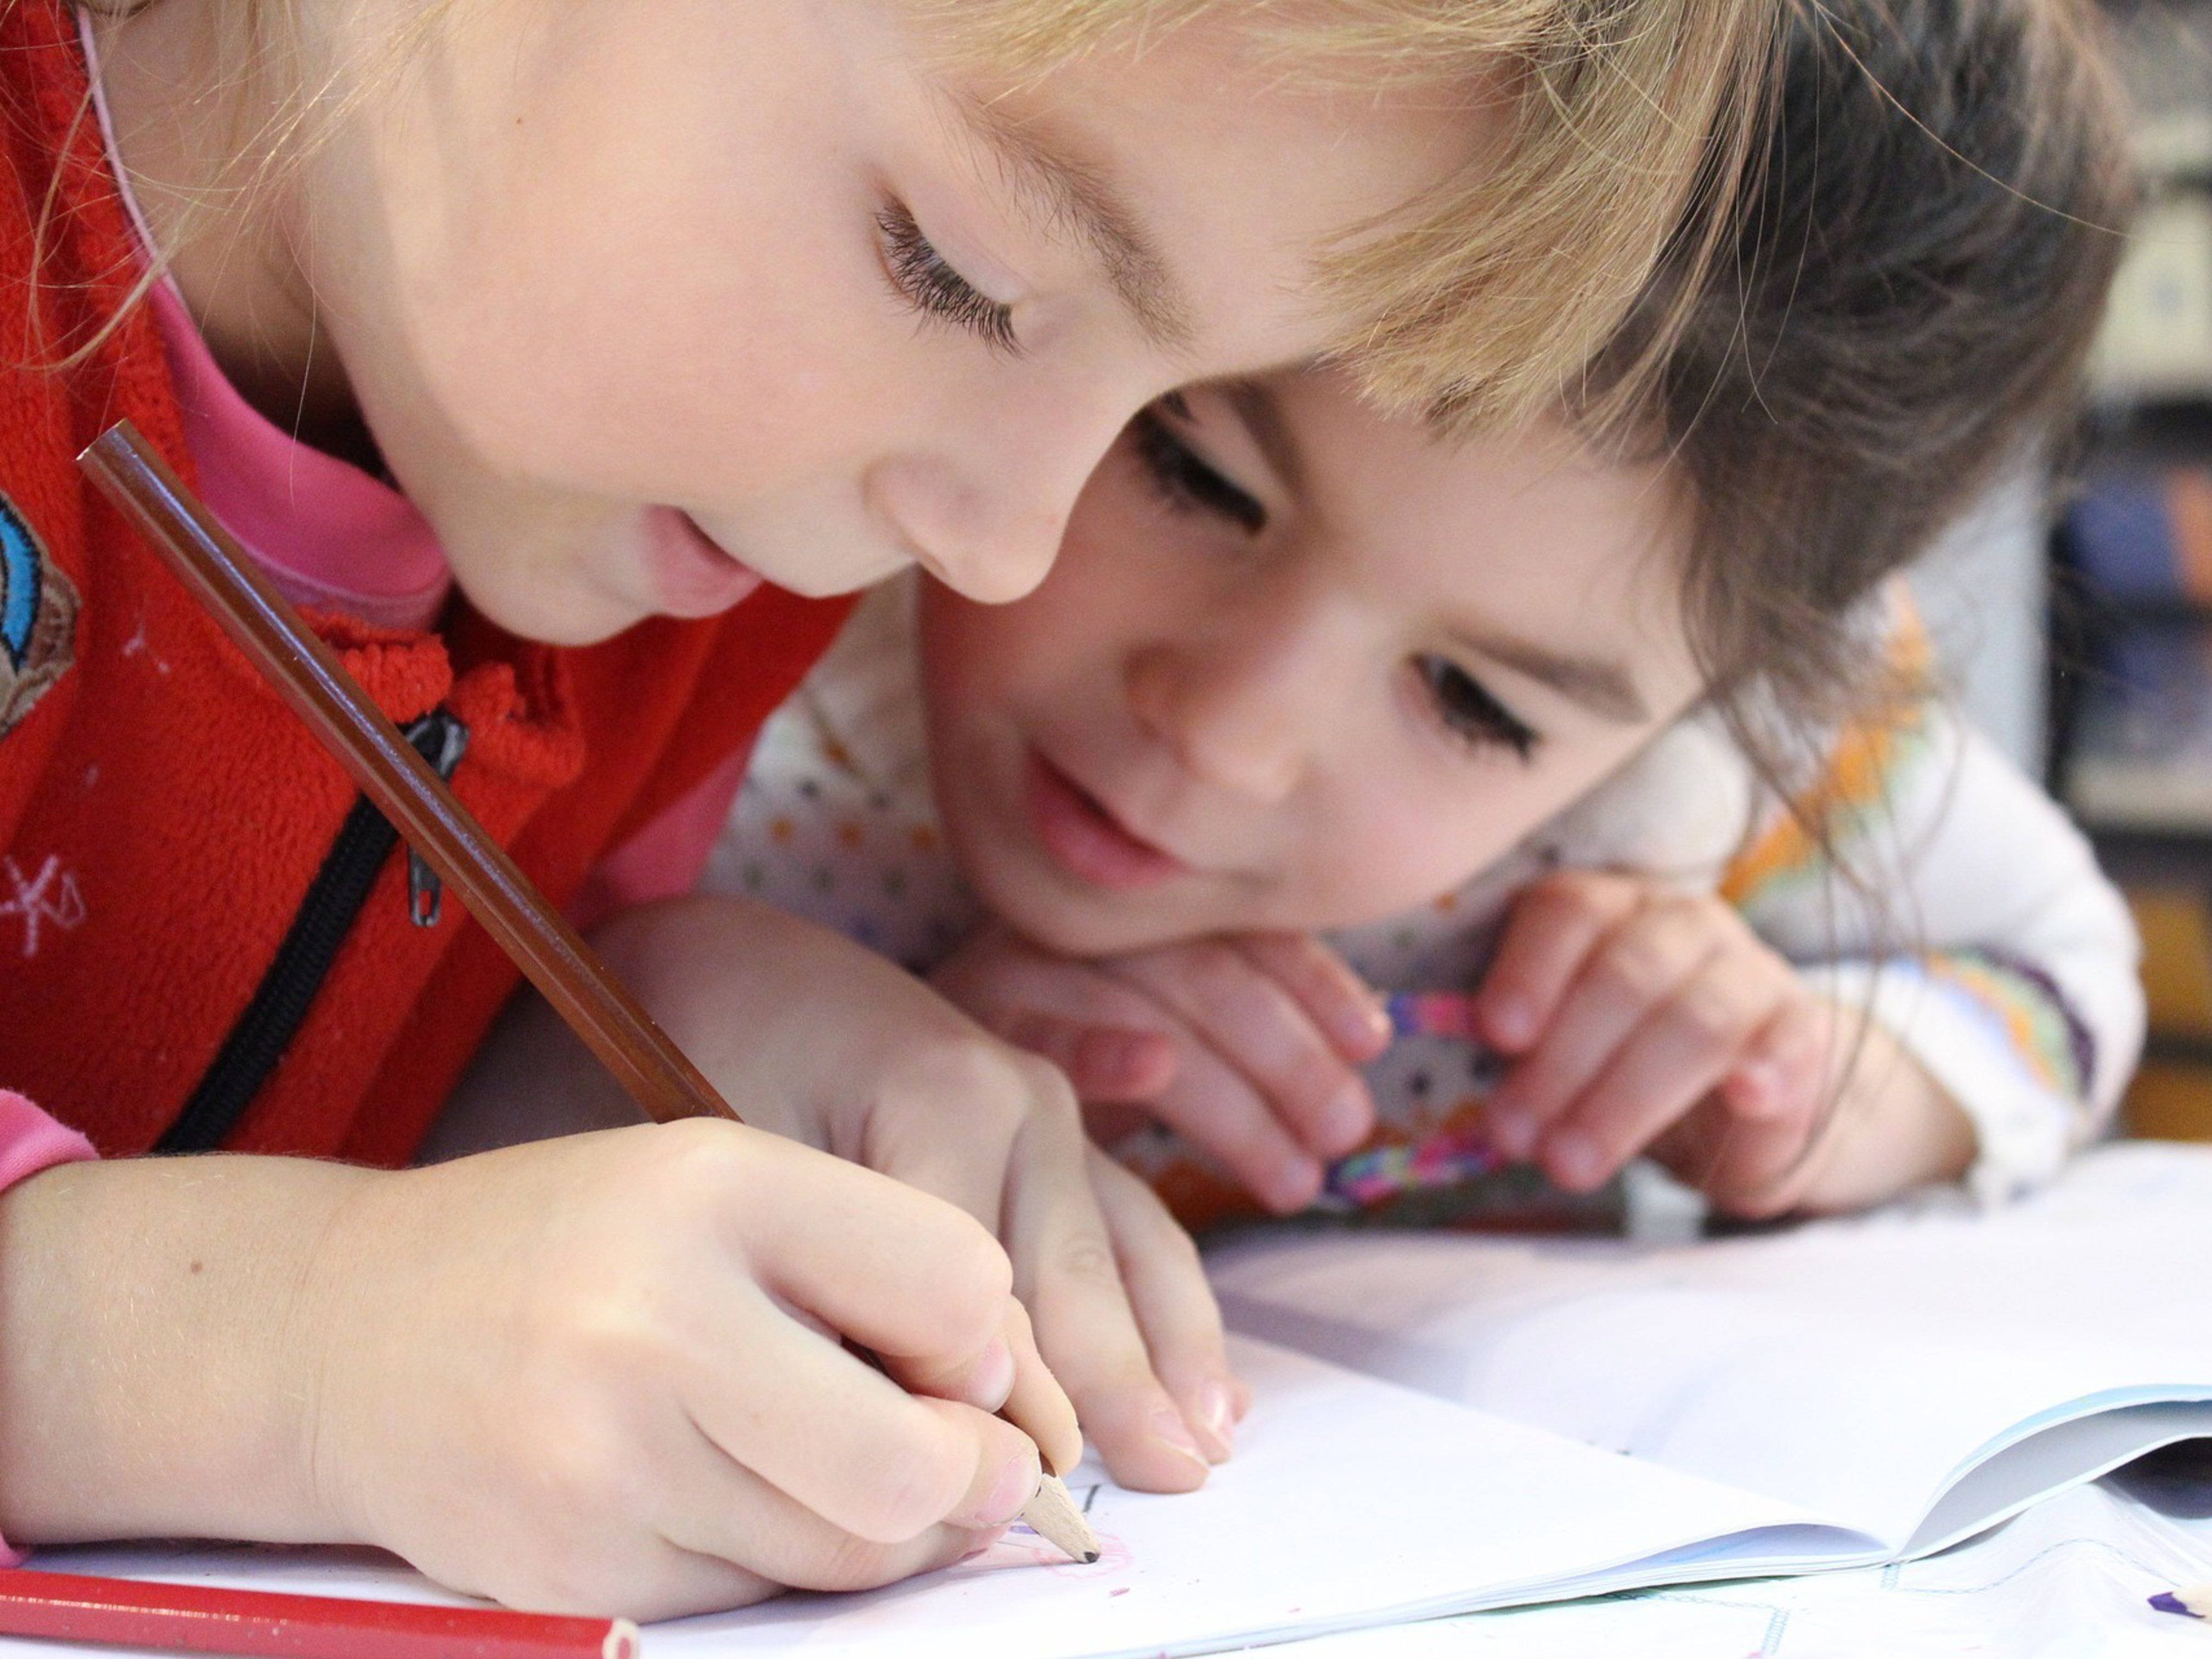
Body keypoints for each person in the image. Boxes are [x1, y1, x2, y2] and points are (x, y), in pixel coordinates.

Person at [0, 0, 1771, 1621]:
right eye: (959, 273)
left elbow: (262, 1112)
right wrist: (306, 1359)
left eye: (1156, 403)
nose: (1002, 547)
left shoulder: (694, 555)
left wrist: (637, 1042)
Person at [698, 0, 2141, 1240]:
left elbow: (2066, 967)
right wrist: (801, 1052)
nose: (1229, 734)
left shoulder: (1732, 786)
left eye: (1477, 705)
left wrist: (1837, 1083)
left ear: (1724, 699)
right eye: (1195, 475)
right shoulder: (740, 592)